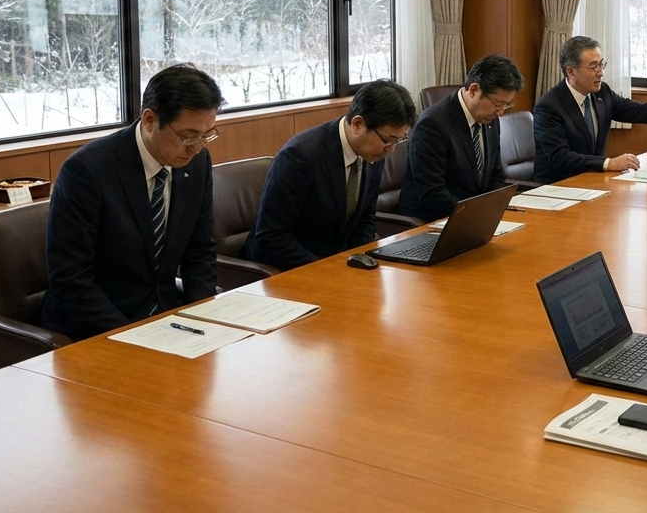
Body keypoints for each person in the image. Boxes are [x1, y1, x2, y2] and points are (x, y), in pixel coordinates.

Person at [42, 64, 225, 341]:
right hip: (94, 327)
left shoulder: (196, 163)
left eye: (206, 135)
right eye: (188, 136)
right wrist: (135, 336)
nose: (197, 147)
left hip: (163, 319)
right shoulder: (87, 171)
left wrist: (202, 318)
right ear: (150, 119)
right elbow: (71, 280)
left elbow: (199, 250)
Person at [242, 79, 417, 272]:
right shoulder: (300, 157)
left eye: (399, 140)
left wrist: (363, 260)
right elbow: (271, 237)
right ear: (358, 124)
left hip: (337, 264)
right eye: (388, 140)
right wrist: (328, 270)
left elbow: (365, 218)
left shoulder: (373, 151)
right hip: (288, 269)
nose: (391, 149)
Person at [533, 35, 647, 183]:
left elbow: (638, 111)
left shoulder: (601, 93)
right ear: (571, 71)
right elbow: (560, 157)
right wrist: (608, 163)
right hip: (559, 187)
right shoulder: (549, 106)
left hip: (593, 182)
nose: (600, 72)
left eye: (601, 64)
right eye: (593, 66)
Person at [400, 54, 524, 222]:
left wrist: (507, 204)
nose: (501, 112)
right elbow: (432, 194)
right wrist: (476, 215)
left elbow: (494, 177)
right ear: (474, 90)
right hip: (432, 221)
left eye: (507, 105)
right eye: (497, 104)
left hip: (471, 217)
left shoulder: (489, 119)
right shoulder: (433, 124)